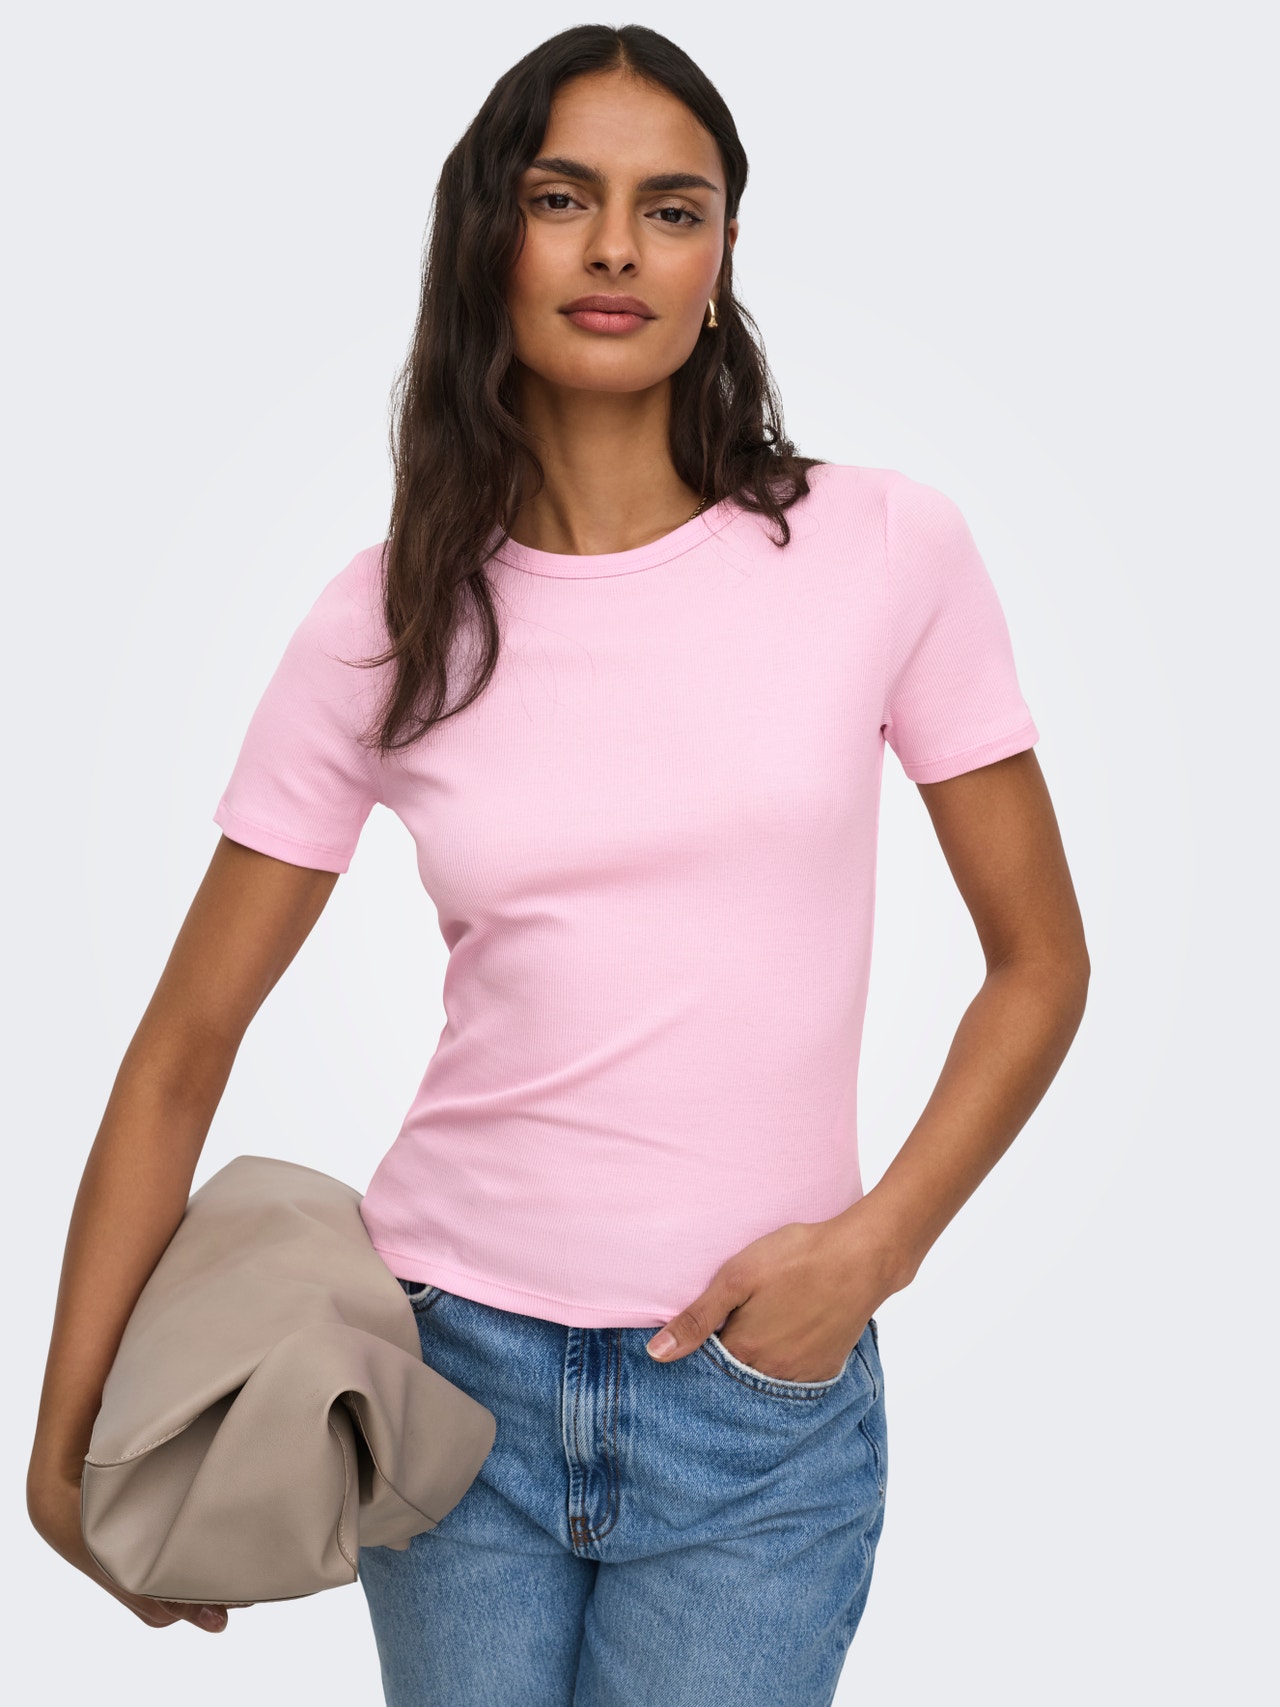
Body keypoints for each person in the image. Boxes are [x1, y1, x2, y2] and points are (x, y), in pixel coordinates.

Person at [26, 21, 1090, 1707]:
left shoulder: (884, 549)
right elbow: (184, 1045)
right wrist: (65, 1439)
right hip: (452, 1383)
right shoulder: (385, 622)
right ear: (489, 239)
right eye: (560, 198)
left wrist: (875, 1251)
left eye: (672, 209)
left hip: (754, 1395)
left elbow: (1041, 963)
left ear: (721, 259)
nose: (615, 249)